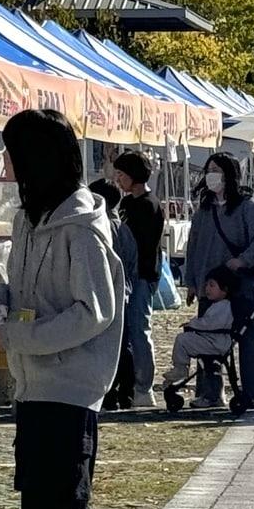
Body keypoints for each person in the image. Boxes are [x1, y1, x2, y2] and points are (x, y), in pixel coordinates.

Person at [0, 108, 125, 509]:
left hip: (70, 391)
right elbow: (25, 289)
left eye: (10, 152)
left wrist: (17, 335)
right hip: (32, 385)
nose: (3, 162)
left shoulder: (81, 231)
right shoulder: (27, 219)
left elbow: (94, 312)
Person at [181, 153, 254, 408]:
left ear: (229, 174)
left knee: (248, 336)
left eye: (217, 170)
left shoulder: (247, 206)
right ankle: (210, 393)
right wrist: (192, 281)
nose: (212, 174)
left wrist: (243, 260)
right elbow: (194, 246)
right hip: (209, 286)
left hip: (240, 283)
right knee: (207, 337)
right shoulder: (204, 208)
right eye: (209, 169)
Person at [115, 151, 164, 408]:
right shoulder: (125, 204)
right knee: (127, 332)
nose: (118, 179)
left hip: (142, 276)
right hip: (126, 276)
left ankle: (144, 386)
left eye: (121, 174)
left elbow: (145, 246)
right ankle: (129, 385)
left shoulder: (149, 205)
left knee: (140, 330)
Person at [91, 177, 138, 412]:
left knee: (106, 345)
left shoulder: (100, 228)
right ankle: (127, 392)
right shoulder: (123, 227)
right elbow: (132, 260)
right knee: (124, 343)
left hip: (105, 292)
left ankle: (109, 393)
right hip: (125, 292)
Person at [163, 266, 238, 394]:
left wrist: (193, 324)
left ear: (224, 289)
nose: (207, 288)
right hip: (213, 340)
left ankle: (180, 368)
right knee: (186, 340)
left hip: (216, 343)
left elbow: (211, 324)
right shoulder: (218, 305)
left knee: (182, 340)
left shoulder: (224, 307)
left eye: (212, 285)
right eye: (207, 285)